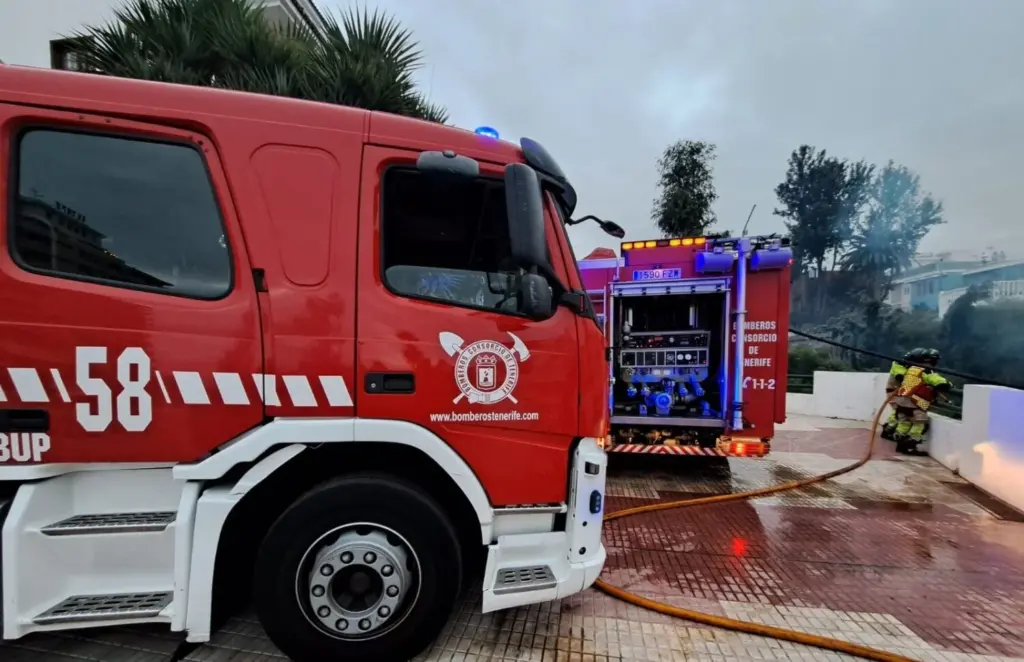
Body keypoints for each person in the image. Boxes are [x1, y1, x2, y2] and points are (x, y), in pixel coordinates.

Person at [890, 348, 951, 456]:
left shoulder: (911, 368)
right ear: (932, 360)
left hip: (901, 399)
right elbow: (937, 380)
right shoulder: (926, 370)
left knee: (904, 422)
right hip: (914, 402)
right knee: (920, 423)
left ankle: (899, 444)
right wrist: (947, 384)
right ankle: (910, 446)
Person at [880, 349, 920, 440]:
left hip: (899, 392)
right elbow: (900, 376)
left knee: (897, 411)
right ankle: (889, 430)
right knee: (897, 411)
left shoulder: (906, 366)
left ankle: (889, 429)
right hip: (894, 392)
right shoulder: (899, 365)